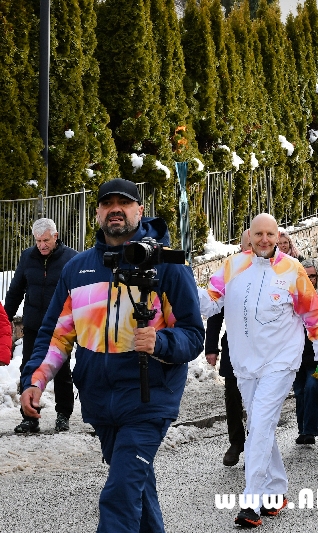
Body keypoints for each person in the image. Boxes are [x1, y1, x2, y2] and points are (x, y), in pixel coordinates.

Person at [18, 178, 205, 533]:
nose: (115, 209)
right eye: (107, 204)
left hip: (148, 400)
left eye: (124, 202)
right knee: (136, 487)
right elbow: (57, 335)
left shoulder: (168, 265)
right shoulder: (77, 269)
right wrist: (36, 380)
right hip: (100, 401)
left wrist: (160, 342)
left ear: (140, 210)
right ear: (98, 213)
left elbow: (194, 335)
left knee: (119, 493)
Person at [198, 213, 318, 528]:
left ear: (277, 236)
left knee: (259, 423)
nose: (264, 240)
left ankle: (252, 501)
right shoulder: (233, 266)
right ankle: (276, 490)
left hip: (281, 361)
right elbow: (210, 303)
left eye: (270, 234)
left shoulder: (292, 270)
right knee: (262, 424)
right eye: (258, 234)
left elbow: (314, 318)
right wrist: (180, 288)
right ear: (250, 236)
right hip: (246, 364)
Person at [4, 218, 78, 433]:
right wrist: (5, 317)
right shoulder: (28, 257)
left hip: (60, 327)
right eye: (38, 241)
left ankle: (63, 414)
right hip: (34, 325)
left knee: (61, 370)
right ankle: (29, 418)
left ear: (55, 236)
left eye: (46, 240)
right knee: (28, 368)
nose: (42, 245)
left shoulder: (71, 259)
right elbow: (16, 290)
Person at [204, 229, 251, 466]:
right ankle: (236, 441)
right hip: (233, 346)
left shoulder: (277, 271)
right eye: (248, 245)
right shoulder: (230, 272)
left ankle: (257, 443)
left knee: (259, 399)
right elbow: (214, 311)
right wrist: (211, 346)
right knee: (232, 394)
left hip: (263, 349)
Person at [293, 257, 318, 444]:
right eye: (306, 276)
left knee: (312, 388)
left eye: (313, 276)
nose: (310, 280)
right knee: (299, 392)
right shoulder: (294, 298)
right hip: (298, 356)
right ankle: (302, 429)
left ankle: (310, 430)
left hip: (316, 357)